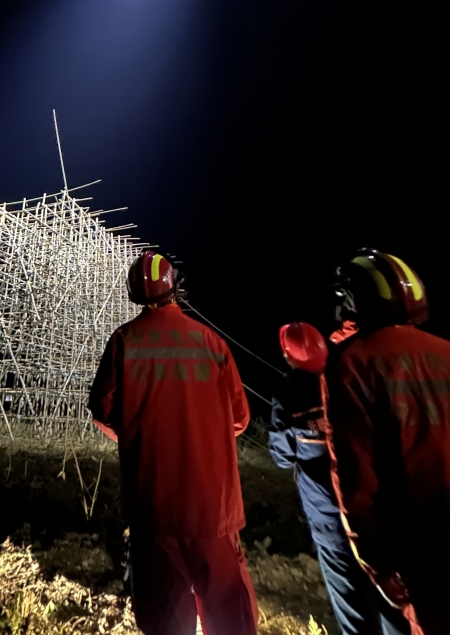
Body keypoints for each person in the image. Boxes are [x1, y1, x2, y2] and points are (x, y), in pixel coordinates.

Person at [88, 250, 258, 635]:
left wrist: (139, 435)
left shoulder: (124, 342)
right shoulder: (211, 343)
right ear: (175, 287)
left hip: (153, 507)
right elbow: (240, 419)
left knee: (165, 618)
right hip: (213, 506)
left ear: (133, 292)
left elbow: (103, 412)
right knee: (231, 615)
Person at [324, 249, 450, 635]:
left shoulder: (351, 364)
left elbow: (356, 478)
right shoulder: (445, 351)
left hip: (421, 542)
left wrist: (376, 562)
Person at [270, 322, 409, 635]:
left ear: (289, 357)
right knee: (388, 595)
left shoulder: (288, 392)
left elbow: (282, 457)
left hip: (328, 517)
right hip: (371, 507)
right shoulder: (350, 373)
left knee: (351, 602)